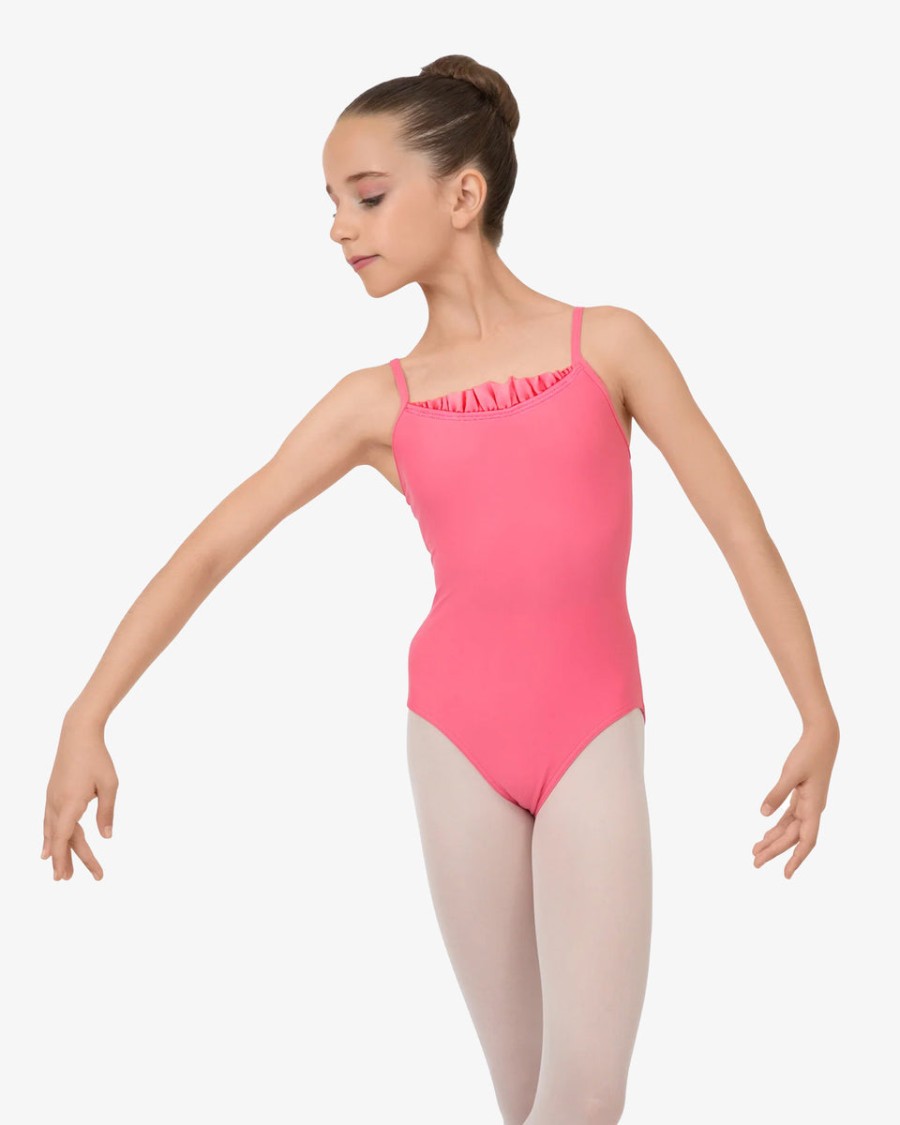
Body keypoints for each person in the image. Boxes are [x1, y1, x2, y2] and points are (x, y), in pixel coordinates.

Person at [41, 53, 840, 1125]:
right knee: (524, 1099)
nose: (339, 227)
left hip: (594, 724)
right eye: (332, 202)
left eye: (367, 196)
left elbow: (740, 530)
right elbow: (209, 551)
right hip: (454, 737)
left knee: (585, 1098)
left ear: (465, 194)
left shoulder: (608, 345)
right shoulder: (374, 401)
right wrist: (86, 714)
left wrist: (816, 710)